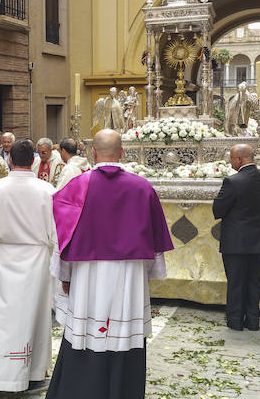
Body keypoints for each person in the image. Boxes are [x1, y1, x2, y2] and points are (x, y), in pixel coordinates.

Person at [47, 129, 175, 399]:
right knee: (124, 333)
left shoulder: (78, 186)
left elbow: (64, 238)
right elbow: (154, 241)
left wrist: (65, 277)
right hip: (128, 276)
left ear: (93, 153)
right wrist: (147, 275)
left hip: (88, 275)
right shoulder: (143, 187)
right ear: (122, 152)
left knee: (86, 332)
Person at [0, 139, 57, 392]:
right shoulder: (47, 191)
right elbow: (56, 234)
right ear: (33, 161)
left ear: (10, 160)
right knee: (34, 316)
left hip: (2, 259)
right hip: (36, 261)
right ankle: (32, 374)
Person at [212, 144, 260, 332]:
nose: (230, 162)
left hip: (236, 241)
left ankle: (236, 321)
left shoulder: (233, 181)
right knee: (255, 281)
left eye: (231, 158)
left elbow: (218, 210)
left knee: (236, 282)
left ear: (239, 159)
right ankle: (253, 320)